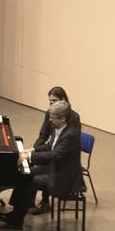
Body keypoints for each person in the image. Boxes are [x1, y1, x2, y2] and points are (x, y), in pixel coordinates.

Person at [0, 100, 83, 230]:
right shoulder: (59, 129)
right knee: (26, 174)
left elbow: (55, 155)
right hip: (56, 169)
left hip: (64, 178)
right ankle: (16, 214)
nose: (50, 120)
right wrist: (30, 150)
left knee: (28, 179)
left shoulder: (70, 135)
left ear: (62, 119)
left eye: (53, 117)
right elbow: (50, 146)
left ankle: (16, 220)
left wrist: (29, 157)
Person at [30, 86, 81, 214]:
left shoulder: (73, 118)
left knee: (41, 166)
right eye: (50, 101)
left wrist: (36, 155)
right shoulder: (51, 113)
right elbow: (44, 134)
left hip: (63, 160)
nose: (51, 104)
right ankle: (28, 202)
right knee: (30, 166)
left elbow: (63, 148)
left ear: (63, 100)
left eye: (54, 101)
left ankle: (45, 201)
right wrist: (34, 150)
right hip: (54, 150)